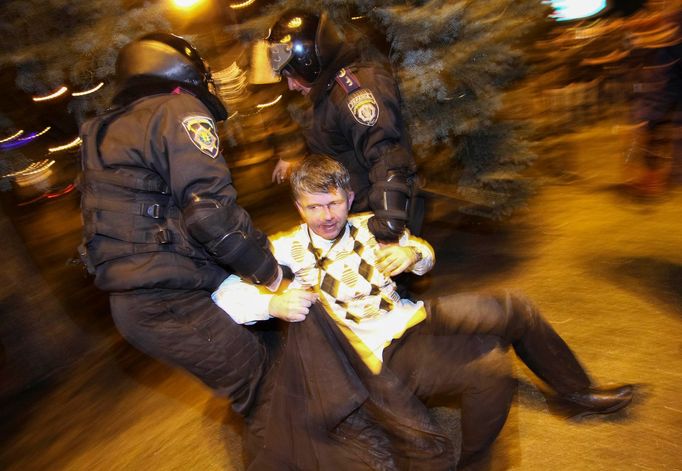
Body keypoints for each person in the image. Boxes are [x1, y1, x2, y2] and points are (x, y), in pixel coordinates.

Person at [213, 155, 634, 469]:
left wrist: (411, 253)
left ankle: (577, 393)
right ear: (298, 207)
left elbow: (426, 254)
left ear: (350, 197)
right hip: (370, 356)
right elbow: (225, 294)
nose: (325, 216)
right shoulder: (283, 249)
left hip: (414, 319)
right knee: (491, 372)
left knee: (514, 307)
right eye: (313, 207)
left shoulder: (368, 226)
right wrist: (274, 302)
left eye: (334, 204)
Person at [77, 33, 283, 415]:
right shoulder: (177, 109)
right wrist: (269, 272)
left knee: (271, 359)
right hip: (168, 298)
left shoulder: (107, 129)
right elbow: (209, 214)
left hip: (141, 303)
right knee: (268, 392)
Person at [251, 8, 423, 242]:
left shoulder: (354, 93)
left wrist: (388, 229)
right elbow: (331, 141)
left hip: (384, 213)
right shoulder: (328, 93)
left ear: (308, 63)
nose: (290, 86)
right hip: (359, 211)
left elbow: (388, 159)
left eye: (292, 76)